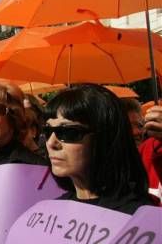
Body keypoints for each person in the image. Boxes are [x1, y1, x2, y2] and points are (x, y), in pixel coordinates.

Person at [45, 84, 152, 214]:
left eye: (68, 132)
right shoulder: (51, 212)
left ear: (105, 137)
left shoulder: (140, 218)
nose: (51, 143)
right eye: (47, 130)